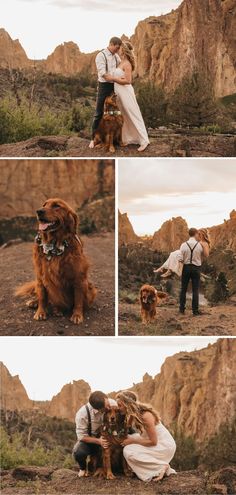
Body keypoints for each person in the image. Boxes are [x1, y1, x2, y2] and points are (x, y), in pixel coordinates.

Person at [116, 391, 176, 482]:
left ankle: (161, 466)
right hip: (156, 443)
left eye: (120, 405)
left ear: (127, 404)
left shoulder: (145, 416)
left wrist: (132, 441)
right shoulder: (133, 414)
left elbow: (153, 441)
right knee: (129, 438)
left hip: (164, 446)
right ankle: (153, 467)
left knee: (128, 451)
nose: (118, 408)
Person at [105, 41, 149, 151]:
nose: (118, 49)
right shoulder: (121, 62)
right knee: (123, 115)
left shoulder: (127, 63)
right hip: (118, 93)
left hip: (126, 92)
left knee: (133, 113)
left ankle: (144, 140)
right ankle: (128, 138)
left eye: (120, 48)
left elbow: (128, 81)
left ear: (123, 50)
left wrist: (113, 79)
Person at [73, 390, 117, 477]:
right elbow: (81, 436)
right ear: (97, 408)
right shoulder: (82, 414)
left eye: (107, 404)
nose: (108, 408)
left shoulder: (112, 403)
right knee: (79, 452)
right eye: (105, 408)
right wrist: (99, 441)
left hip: (109, 434)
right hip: (92, 440)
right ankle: (83, 468)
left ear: (106, 398)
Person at [89, 37, 122, 149]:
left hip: (115, 86)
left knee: (116, 113)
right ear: (111, 44)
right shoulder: (101, 56)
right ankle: (93, 139)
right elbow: (103, 74)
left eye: (118, 49)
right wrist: (117, 79)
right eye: (116, 48)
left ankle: (114, 138)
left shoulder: (117, 57)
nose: (117, 50)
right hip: (104, 86)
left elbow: (120, 69)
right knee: (99, 112)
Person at [179, 228, 210, 316]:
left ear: (189, 234)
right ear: (195, 234)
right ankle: (195, 311)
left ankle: (181, 309)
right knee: (195, 290)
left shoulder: (183, 245)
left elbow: (180, 258)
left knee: (183, 289)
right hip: (196, 268)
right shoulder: (200, 245)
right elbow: (205, 255)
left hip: (186, 268)